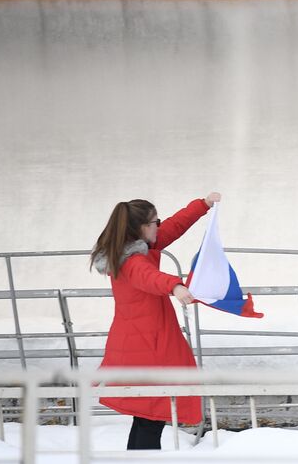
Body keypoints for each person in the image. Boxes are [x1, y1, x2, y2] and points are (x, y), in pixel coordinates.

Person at [90, 193, 221, 450]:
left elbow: (174, 225)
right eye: (155, 222)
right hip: (147, 348)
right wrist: (176, 287)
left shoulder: (135, 249)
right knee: (152, 415)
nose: (159, 226)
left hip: (138, 343)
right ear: (142, 228)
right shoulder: (134, 261)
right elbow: (149, 277)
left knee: (146, 417)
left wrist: (202, 205)